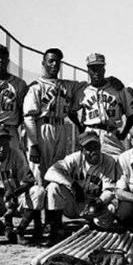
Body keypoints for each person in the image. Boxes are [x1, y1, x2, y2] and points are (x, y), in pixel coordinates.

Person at [23, 47, 86, 184]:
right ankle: (38, 202)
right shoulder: (36, 87)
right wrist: (33, 144)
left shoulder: (68, 85)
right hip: (42, 128)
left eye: (57, 62)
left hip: (61, 127)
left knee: (57, 169)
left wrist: (110, 79)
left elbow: (89, 85)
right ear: (43, 63)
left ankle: (53, 203)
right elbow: (29, 117)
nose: (54, 64)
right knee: (38, 170)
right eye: (51, 61)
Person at [43, 131, 119, 242]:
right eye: (89, 148)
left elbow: (110, 189)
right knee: (53, 187)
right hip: (74, 202)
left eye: (96, 147)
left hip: (95, 205)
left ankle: (92, 228)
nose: (94, 152)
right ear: (82, 150)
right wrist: (72, 184)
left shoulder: (108, 161)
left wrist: (99, 202)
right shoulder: (74, 158)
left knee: (106, 219)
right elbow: (50, 172)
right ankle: (56, 228)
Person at [71, 53, 133, 157]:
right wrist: (80, 127)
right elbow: (71, 111)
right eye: (93, 68)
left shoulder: (117, 89)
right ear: (88, 71)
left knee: (117, 167)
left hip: (111, 135)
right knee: (91, 168)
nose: (96, 72)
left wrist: (124, 133)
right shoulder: (84, 91)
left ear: (104, 70)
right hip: (91, 133)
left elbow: (131, 113)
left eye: (99, 68)